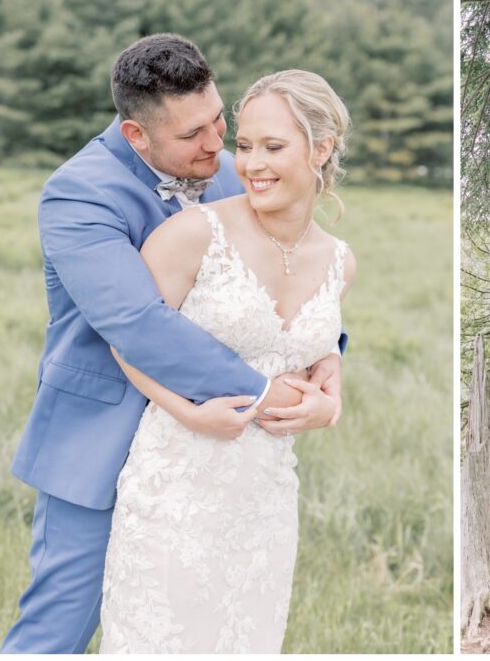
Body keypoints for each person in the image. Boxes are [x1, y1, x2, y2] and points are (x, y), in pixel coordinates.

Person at [2, 35, 345, 654]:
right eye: (194, 135)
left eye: (220, 121)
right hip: (101, 442)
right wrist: (265, 393)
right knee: (60, 631)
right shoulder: (78, 194)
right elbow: (137, 322)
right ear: (137, 135)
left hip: (213, 461)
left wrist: (329, 359)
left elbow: (282, 280)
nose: (219, 145)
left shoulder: (224, 175)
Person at [98, 69, 355, 652]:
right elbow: (128, 338)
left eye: (273, 147)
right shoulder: (195, 233)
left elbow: (318, 359)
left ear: (321, 149)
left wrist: (329, 404)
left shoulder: (341, 262)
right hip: (175, 488)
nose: (252, 163)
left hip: (266, 498)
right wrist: (187, 414)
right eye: (244, 145)